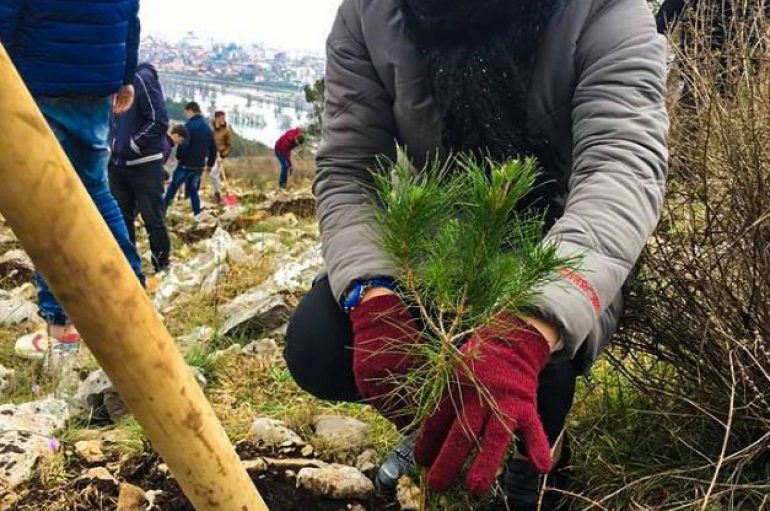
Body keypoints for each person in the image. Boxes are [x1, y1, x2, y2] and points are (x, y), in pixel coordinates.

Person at [283, 0, 669, 509]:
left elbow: (621, 169)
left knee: (536, 351)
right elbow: (351, 169)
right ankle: (441, 417)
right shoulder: (370, 13)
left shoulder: (605, 9)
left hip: (566, 233)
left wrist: (532, 321)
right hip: (444, 233)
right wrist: (373, 293)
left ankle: (539, 458)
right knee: (321, 345)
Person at [0, 0, 146, 352]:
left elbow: (7, 12)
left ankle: (61, 325)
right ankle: (135, 300)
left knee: (45, 203)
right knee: (94, 187)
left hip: (38, 79)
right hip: (97, 83)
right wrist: (126, 77)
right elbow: (130, 17)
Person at [108, 63, 172, 275]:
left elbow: (159, 121)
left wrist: (134, 145)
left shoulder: (142, 78)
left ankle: (161, 267)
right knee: (122, 218)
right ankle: (129, 269)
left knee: (152, 219)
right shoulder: (111, 78)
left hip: (144, 165)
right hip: (117, 165)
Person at [163, 102, 217, 218]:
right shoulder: (208, 129)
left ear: (190, 111)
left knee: (173, 188)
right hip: (199, 166)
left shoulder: (189, 126)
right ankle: (197, 213)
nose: (186, 115)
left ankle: (162, 211)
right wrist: (210, 164)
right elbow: (213, 148)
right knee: (193, 190)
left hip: (185, 165)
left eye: (186, 112)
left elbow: (184, 145)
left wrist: (179, 157)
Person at [211, 110, 234, 203]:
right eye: (222, 118)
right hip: (212, 154)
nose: (224, 119)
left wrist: (223, 155)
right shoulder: (212, 129)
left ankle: (218, 194)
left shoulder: (226, 131)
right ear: (217, 118)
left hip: (220, 155)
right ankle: (217, 194)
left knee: (213, 174)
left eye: (224, 118)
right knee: (214, 174)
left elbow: (230, 145)